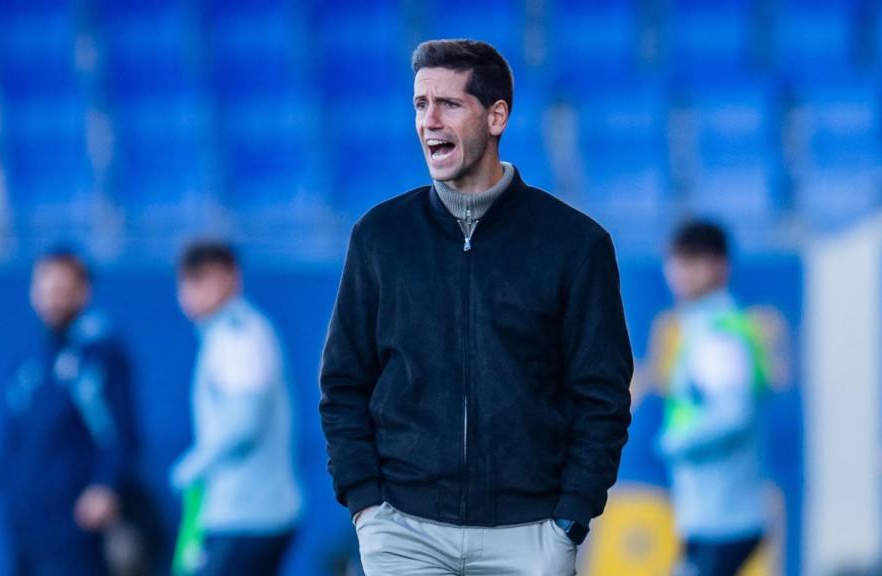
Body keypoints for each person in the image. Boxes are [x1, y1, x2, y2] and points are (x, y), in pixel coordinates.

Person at [319, 39, 634, 575]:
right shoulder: (379, 237)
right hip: (402, 533)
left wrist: (571, 516)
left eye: (448, 104)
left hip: (530, 536)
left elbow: (602, 396)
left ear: (496, 116)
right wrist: (366, 504)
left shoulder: (576, 245)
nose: (429, 121)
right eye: (421, 104)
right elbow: (343, 383)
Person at [0, 249, 138, 576]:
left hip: (76, 517)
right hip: (28, 515)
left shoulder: (101, 354)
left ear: (83, 292)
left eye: (61, 290)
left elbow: (120, 431)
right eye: (44, 290)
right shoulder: (29, 360)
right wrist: (8, 482)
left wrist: (106, 485)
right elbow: (15, 431)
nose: (52, 301)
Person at [170, 242, 301, 576]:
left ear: (232, 277)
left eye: (204, 278)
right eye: (188, 280)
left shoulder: (239, 336)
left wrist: (190, 468)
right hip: (242, 512)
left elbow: (245, 422)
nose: (192, 291)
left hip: (249, 513)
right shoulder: (223, 334)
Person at [657, 221, 769, 576]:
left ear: (720, 266)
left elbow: (733, 414)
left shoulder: (718, 333)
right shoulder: (703, 325)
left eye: (693, 260)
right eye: (677, 260)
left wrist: (674, 442)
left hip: (724, 515)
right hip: (709, 512)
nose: (680, 272)